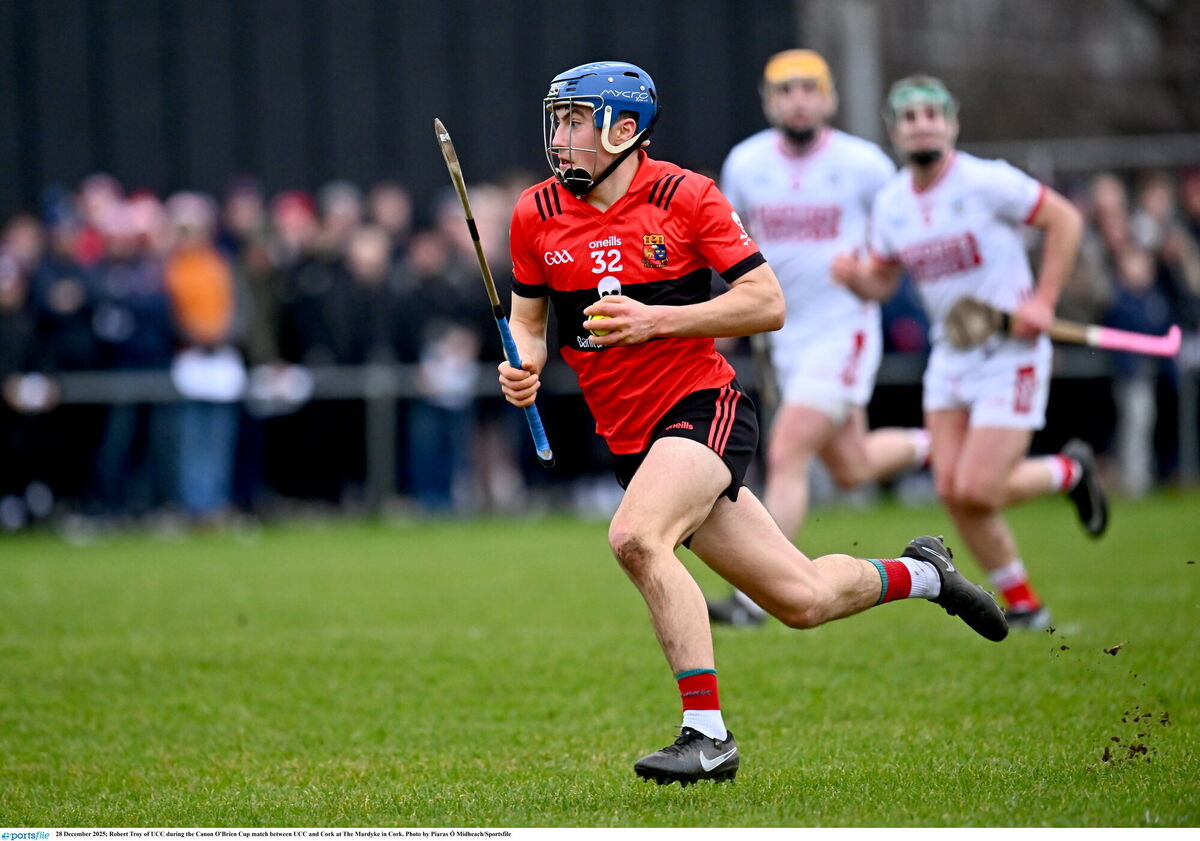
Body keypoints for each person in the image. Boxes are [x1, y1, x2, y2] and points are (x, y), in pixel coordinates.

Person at [497, 60, 1008, 787]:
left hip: (701, 407)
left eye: (575, 120)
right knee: (801, 599)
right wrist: (523, 365)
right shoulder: (535, 213)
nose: (562, 137)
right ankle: (927, 573)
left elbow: (766, 302)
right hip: (630, 438)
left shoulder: (688, 196)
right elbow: (529, 321)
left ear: (624, 126)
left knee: (636, 537)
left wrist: (658, 321)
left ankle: (706, 735)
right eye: (559, 120)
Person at [833, 75, 1109, 632]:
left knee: (979, 487)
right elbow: (885, 280)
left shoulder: (987, 181)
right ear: (894, 131)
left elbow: (1066, 219)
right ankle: (1027, 605)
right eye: (909, 117)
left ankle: (1068, 472)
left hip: (1012, 350)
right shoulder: (890, 203)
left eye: (933, 113)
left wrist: (1044, 298)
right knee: (952, 489)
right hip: (952, 354)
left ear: (952, 123)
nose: (922, 124)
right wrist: (858, 281)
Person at [707, 50, 932, 627]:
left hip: (843, 332)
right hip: (783, 335)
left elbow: (896, 256)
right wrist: (727, 314)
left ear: (829, 98)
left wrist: (868, 278)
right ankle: (934, 447)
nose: (799, 99)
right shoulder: (746, 163)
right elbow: (731, 246)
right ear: (769, 100)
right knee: (851, 465)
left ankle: (760, 596)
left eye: (810, 88)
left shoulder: (865, 165)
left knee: (786, 452)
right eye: (786, 90)